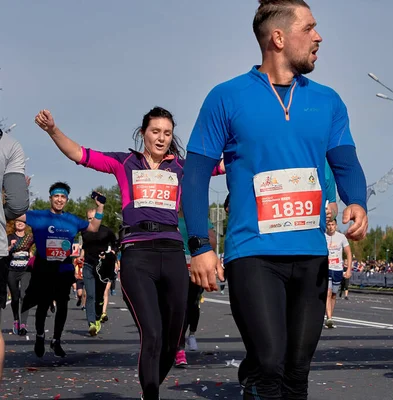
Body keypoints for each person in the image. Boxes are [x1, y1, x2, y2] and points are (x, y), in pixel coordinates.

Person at [182, 1, 368, 398]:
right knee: (269, 364)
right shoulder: (226, 98)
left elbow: (346, 161)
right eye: (310, 28)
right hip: (253, 253)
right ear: (278, 38)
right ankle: (256, 380)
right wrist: (199, 244)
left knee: (296, 373)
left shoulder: (328, 101)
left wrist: (357, 201)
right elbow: (195, 175)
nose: (319, 37)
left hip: (310, 252)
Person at [34, 107, 187, 400]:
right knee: (152, 333)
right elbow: (80, 154)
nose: (161, 138)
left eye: (167, 133)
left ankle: (150, 388)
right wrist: (53, 130)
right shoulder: (124, 162)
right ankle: (151, 395)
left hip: (173, 252)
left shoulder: (181, 167)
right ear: (143, 133)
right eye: (155, 131)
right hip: (137, 255)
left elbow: (222, 164)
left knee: (171, 340)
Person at [19, 182, 104, 358]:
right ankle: (40, 336)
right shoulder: (38, 216)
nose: (59, 199)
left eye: (63, 197)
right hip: (44, 267)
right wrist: (20, 190)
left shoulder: (72, 220)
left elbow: (94, 227)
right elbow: (15, 214)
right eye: (56, 196)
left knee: (63, 305)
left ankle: (56, 340)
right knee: (42, 305)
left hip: (63, 267)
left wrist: (100, 207)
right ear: (50, 198)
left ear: (66, 199)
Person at [0, 127, 29, 380]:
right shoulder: (9, 144)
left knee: (21, 295)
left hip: (24, 270)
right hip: (1, 256)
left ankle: (22, 321)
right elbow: (18, 205)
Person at [174, 211, 217, 368]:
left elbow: (212, 242)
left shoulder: (199, 217)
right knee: (176, 305)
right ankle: (176, 347)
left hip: (195, 266)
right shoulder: (169, 216)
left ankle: (189, 336)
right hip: (173, 265)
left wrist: (199, 243)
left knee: (190, 305)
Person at [81, 208, 118, 336]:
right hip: (88, 266)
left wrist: (112, 252)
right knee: (90, 295)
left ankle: (97, 318)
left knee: (99, 296)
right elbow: (85, 247)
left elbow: (115, 243)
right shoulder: (85, 231)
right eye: (89, 219)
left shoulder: (106, 231)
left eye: (94, 218)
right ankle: (91, 323)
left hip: (102, 267)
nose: (92, 221)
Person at [6, 220, 34, 335]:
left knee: (24, 295)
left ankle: (24, 323)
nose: (20, 223)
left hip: (25, 271)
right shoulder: (10, 237)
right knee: (15, 298)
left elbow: (33, 250)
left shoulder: (29, 237)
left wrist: (31, 256)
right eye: (18, 221)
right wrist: (10, 246)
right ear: (15, 224)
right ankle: (16, 320)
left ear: (25, 224)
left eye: (22, 221)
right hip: (12, 271)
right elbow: (4, 251)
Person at [324, 218, 351, 329]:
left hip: (338, 269)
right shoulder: (323, 236)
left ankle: (330, 316)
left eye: (333, 224)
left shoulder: (341, 237)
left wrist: (348, 269)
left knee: (334, 294)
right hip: (326, 268)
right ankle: (329, 318)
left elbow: (348, 253)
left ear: (336, 225)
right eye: (329, 225)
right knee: (328, 292)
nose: (331, 227)